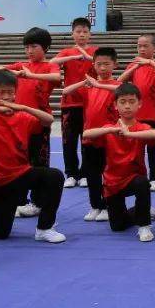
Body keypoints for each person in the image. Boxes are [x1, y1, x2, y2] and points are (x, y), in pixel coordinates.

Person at [0, 70, 66, 244]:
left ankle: (44, 228)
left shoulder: (23, 116)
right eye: (2, 92)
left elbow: (48, 120)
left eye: (11, 92)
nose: (7, 97)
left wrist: (24, 107)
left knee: (54, 176)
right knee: (0, 234)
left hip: (22, 174)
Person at [0, 27, 60, 216]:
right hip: (18, 124)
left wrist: (31, 75)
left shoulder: (48, 66)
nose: (29, 51)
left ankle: (38, 202)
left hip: (39, 122)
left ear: (45, 48)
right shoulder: (21, 65)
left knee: (39, 163)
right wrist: (13, 71)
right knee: (19, 161)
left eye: (34, 46)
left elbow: (57, 77)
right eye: (27, 47)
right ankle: (19, 200)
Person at [82, 83, 155, 242]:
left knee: (142, 183)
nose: (127, 106)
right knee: (118, 226)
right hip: (113, 183)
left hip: (133, 178)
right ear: (115, 105)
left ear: (139, 104)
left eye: (132, 102)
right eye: (123, 102)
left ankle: (144, 226)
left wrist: (130, 134)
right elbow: (86, 133)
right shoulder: (109, 128)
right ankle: (144, 211)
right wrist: (110, 130)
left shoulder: (142, 127)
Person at [62, 46, 120, 222]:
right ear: (93, 65)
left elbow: (124, 92)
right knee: (92, 175)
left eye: (106, 64)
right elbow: (66, 92)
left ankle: (108, 205)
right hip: (90, 137)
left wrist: (97, 84)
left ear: (114, 65)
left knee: (109, 175)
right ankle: (95, 205)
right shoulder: (89, 87)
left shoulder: (118, 86)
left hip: (110, 138)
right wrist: (84, 82)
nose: (102, 68)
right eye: (99, 64)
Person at [118, 33, 155, 191]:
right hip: (136, 115)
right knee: (135, 148)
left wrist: (149, 62)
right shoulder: (134, 65)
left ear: (154, 48)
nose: (141, 49)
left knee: (154, 148)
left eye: (145, 46)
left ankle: (154, 178)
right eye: (139, 46)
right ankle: (136, 176)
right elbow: (119, 81)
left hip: (154, 113)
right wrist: (136, 66)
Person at [48, 18, 98, 188]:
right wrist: (75, 55)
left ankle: (85, 173)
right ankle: (71, 173)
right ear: (72, 34)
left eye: (85, 31)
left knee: (87, 141)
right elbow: (50, 63)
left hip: (90, 104)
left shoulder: (95, 51)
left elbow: (103, 65)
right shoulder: (67, 52)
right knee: (68, 141)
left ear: (90, 34)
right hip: (69, 104)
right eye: (78, 31)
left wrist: (86, 56)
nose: (82, 34)